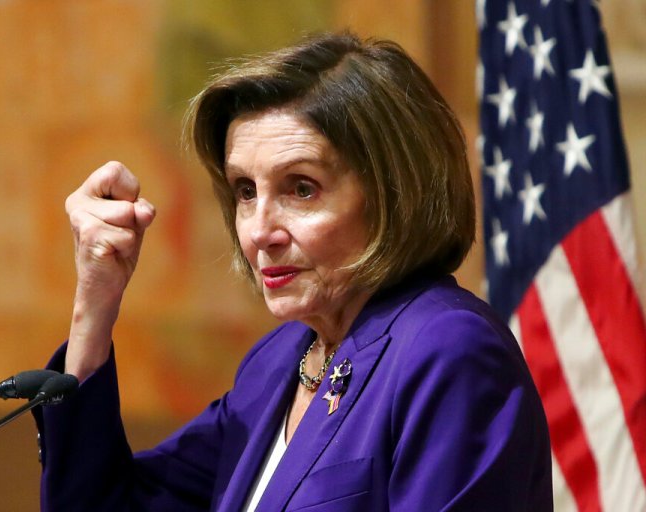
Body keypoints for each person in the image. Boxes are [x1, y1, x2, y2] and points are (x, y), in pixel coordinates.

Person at [33, 32, 553, 511]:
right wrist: (94, 305)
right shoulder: (279, 360)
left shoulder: (449, 351)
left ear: (393, 195)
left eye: (301, 188)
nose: (260, 231)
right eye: (245, 191)